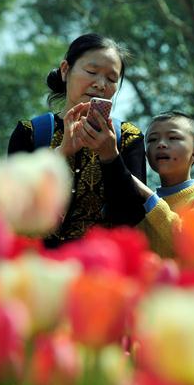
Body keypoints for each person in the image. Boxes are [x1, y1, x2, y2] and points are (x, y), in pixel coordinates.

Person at [8, 33, 146, 247]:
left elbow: (130, 219)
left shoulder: (128, 138)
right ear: (65, 70)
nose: (101, 84)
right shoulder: (30, 133)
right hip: (37, 268)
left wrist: (111, 157)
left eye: (111, 79)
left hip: (97, 271)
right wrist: (60, 153)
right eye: (92, 72)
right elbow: (13, 206)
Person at [127, 111, 194, 258]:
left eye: (173, 137)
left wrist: (150, 198)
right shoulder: (141, 205)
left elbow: (188, 243)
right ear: (146, 155)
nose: (161, 144)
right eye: (152, 140)